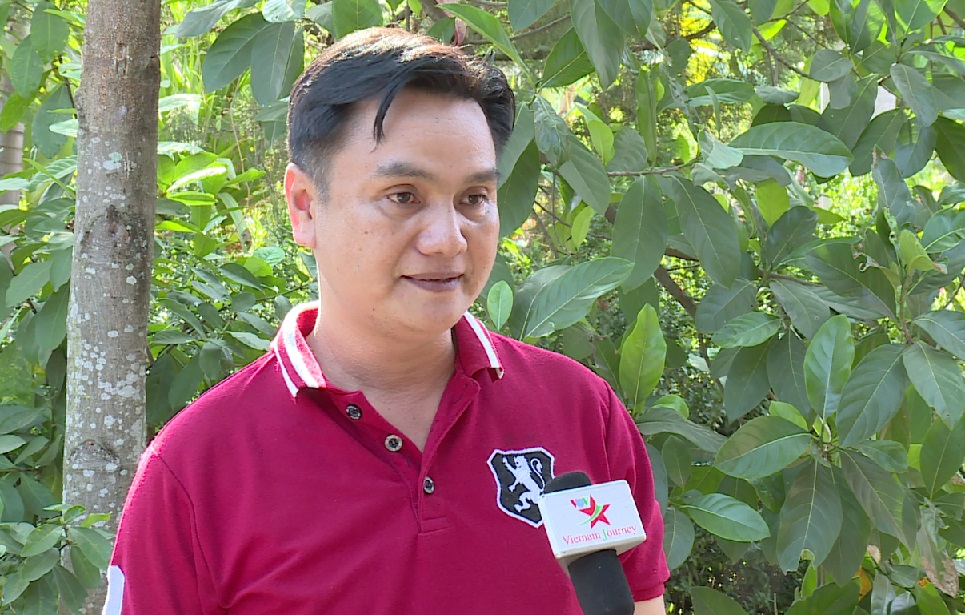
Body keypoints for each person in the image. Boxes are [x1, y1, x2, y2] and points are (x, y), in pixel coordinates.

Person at [104, 27, 669, 614]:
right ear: (304, 206)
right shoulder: (197, 468)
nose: (448, 240)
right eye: (403, 195)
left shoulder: (580, 411)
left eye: (474, 198)